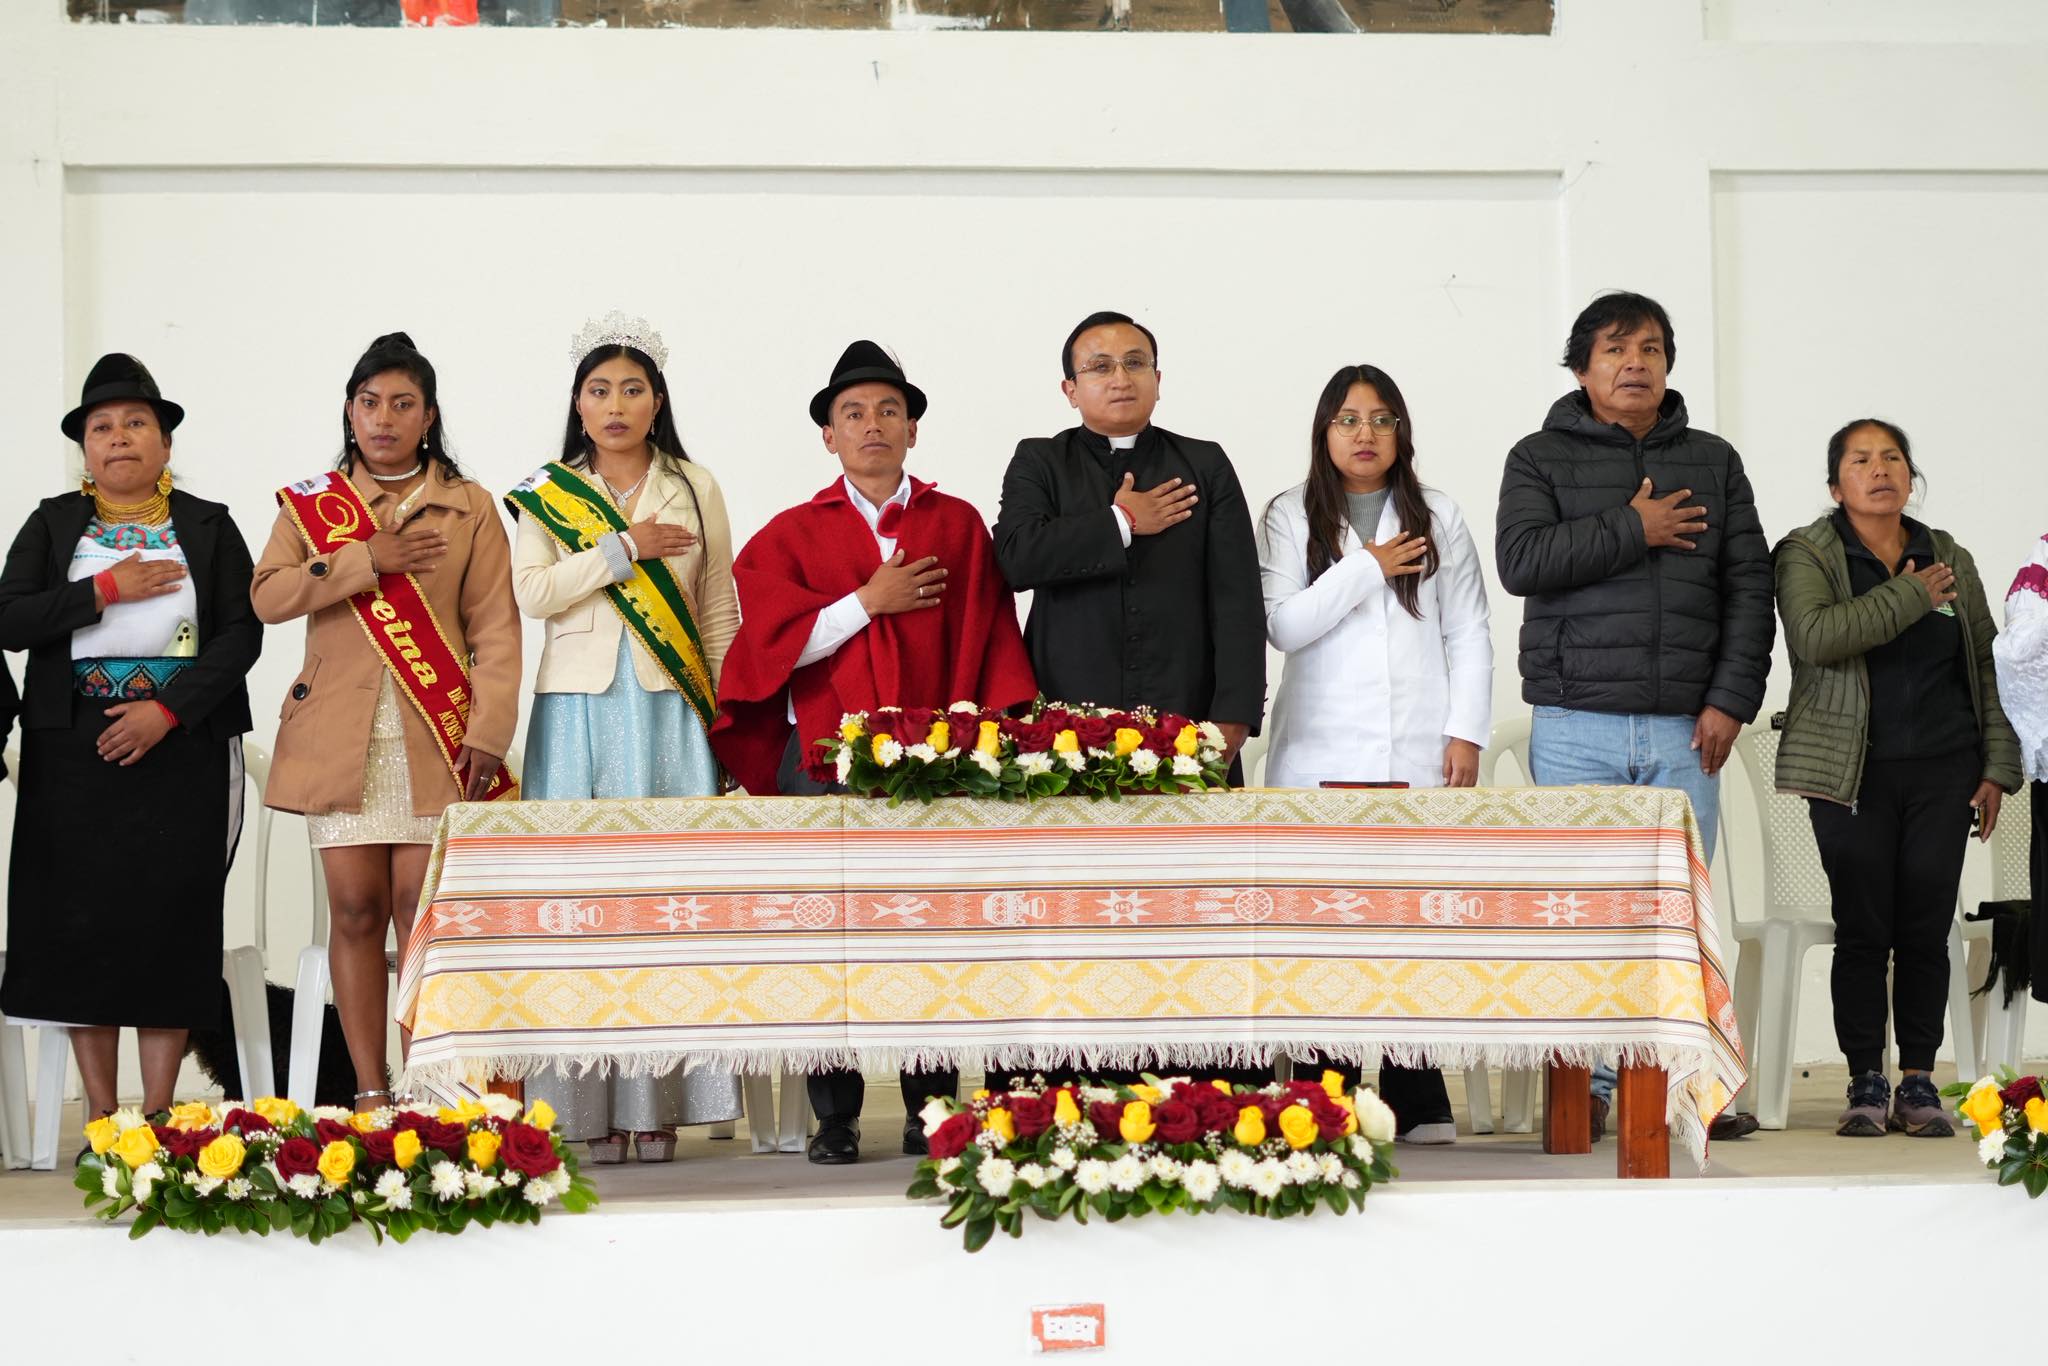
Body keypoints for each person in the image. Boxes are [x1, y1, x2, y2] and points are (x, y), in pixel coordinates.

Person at [712, 339, 1036, 1164]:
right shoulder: (790, 535)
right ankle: (837, 1115)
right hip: (823, 763)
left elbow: (989, 636)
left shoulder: (956, 526)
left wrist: (979, 744)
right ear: (828, 435)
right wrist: (867, 601)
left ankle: (932, 1107)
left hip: (934, 764)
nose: (872, 425)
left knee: (931, 931)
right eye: (853, 413)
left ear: (913, 429)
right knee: (828, 939)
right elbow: (772, 649)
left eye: (889, 410)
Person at [1494, 291, 1772, 1142]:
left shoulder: (1714, 460)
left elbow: (1749, 587)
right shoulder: (1538, 456)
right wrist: (1633, 526)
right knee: (1583, 915)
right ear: (1582, 367)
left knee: (1679, 921)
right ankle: (1591, 1085)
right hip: (1575, 721)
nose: (1634, 363)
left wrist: (1730, 700)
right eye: (1615, 349)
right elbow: (1521, 561)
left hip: (1689, 729)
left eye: (1650, 348)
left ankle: (1682, 1087)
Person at [252, 332, 522, 1113]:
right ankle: (372, 1091)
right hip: (340, 740)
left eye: (403, 404)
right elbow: (267, 597)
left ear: (428, 416)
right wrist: (364, 558)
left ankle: (428, 1088)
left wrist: (488, 732)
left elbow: (496, 628)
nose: (384, 418)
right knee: (355, 911)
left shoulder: (470, 506)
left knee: (418, 912)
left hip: (438, 739)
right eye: (370, 402)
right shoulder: (314, 506)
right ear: (350, 410)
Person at [506, 312, 745, 1164]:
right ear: (578, 403)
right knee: (578, 907)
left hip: (671, 711)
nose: (615, 406)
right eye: (600, 390)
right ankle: (581, 1108)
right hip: (574, 713)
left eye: (632, 390)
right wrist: (622, 550)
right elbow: (533, 593)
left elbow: (716, 606)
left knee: (670, 905)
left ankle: (662, 1104)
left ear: (657, 402)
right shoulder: (547, 490)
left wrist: (728, 723)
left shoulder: (695, 485)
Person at [0, 354, 261, 1120]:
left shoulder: (208, 525)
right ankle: (104, 1119)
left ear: (165, 442)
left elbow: (241, 634)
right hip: (71, 753)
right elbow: (10, 618)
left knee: (169, 927)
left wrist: (167, 711)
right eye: (102, 426)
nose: (119, 437)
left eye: (136, 423)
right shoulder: (53, 524)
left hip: (180, 747)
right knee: (79, 930)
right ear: (85, 447)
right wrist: (104, 589)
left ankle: (158, 1116)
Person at [1258, 363, 1492, 1143]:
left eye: (1382, 419)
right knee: (1322, 925)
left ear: (1402, 433)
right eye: (1349, 419)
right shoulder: (1290, 514)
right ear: (1324, 432)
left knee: (1408, 920)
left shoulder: (1439, 513)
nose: (1366, 433)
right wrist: (1369, 566)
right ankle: (1323, 1091)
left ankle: (1416, 1091)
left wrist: (1466, 731)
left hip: (1416, 747)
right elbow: (1284, 625)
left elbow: (1468, 629)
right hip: (1319, 751)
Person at [1776, 418, 2020, 1137]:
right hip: (1849, 774)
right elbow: (1817, 637)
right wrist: (1912, 596)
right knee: (1864, 928)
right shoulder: (1807, 553)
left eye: (1892, 458)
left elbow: (1986, 664)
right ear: (1835, 485)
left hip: (1946, 770)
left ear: (1911, 477)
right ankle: (1864, 1079)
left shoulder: (1949, 555)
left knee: (1924, 925)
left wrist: (1997, 766)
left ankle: (1917, 1080)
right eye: (1860, 460)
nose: (1879, 470)